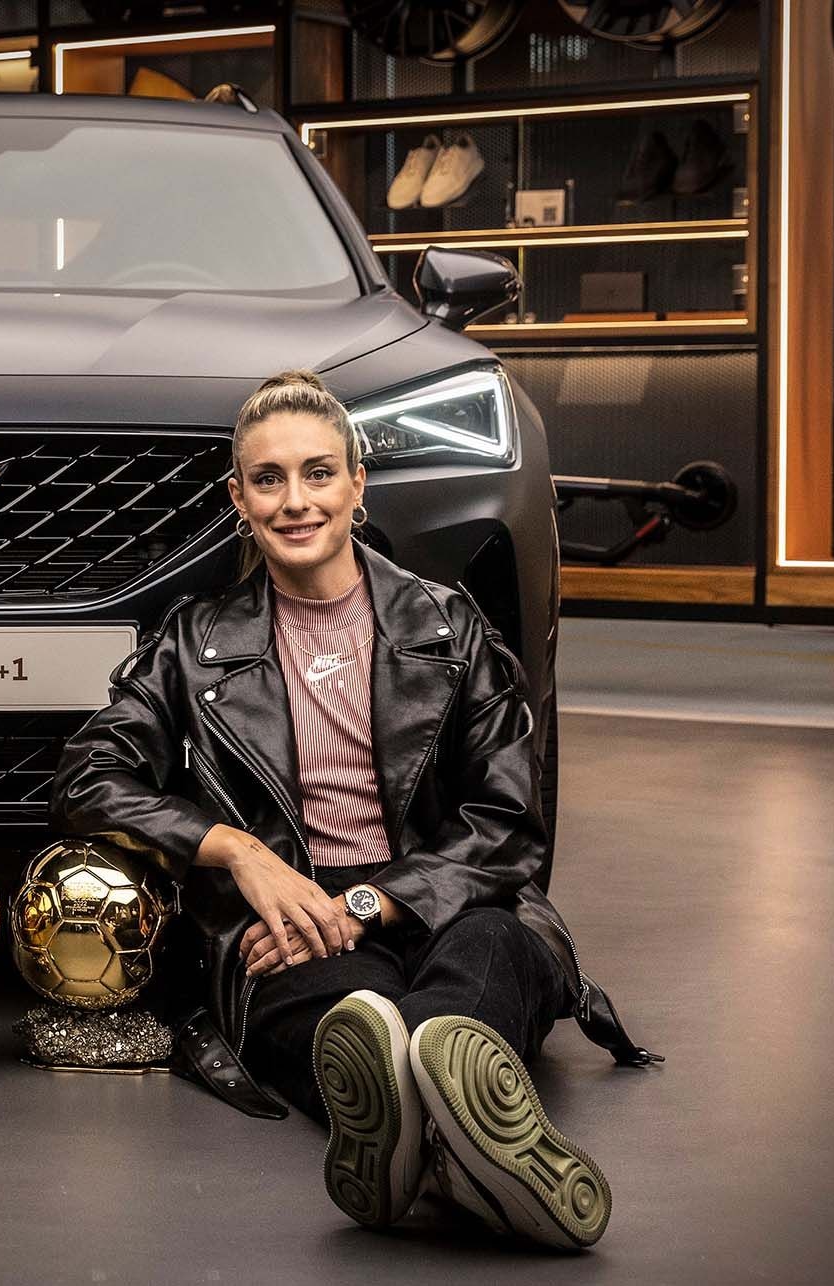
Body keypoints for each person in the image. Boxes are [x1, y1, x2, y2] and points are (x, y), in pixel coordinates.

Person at [50, 369, 657, 1250]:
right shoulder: (192, 642)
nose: (295, 501)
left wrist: (371, 902)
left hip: (450, 892)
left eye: (318, 472)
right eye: (269, 479)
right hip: (290, 917)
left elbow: (507, 824)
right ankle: (467, 1151)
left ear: (358, 483)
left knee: (488, 956)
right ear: (238, 497)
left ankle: (422, 1140)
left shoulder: (450, 628)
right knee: (354, 1016)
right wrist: (238, 854)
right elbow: (87, 775)